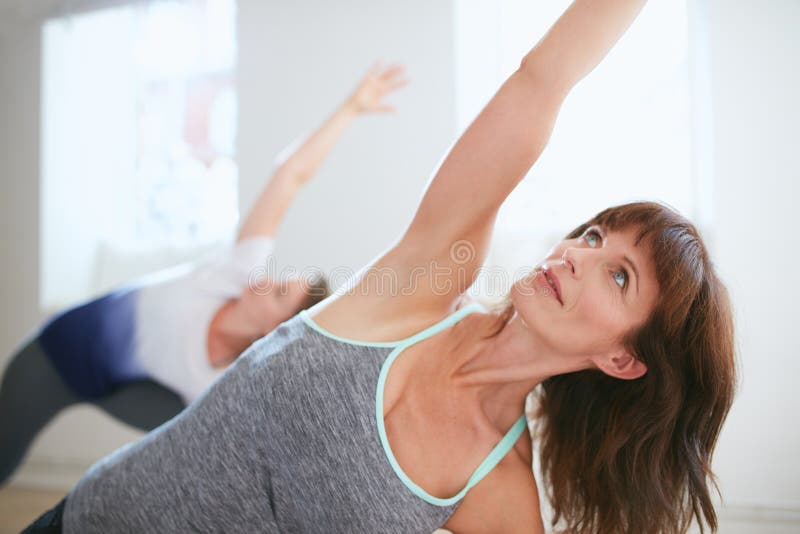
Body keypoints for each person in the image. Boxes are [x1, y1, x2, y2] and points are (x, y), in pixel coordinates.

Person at [26, 1, 737, 533]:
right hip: (84, 517)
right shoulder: (426, 284)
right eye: (592, 234)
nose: (579, 255)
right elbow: (541, 82)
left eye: (620, 276)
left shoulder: (498, 493)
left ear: (622, 359)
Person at [1, 63, 408, 486]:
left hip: (114, 387)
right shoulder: (236, 272)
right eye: (278, 278)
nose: (265, 281)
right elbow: (290, 176)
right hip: (52, 357)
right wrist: (351, 108)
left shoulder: (226, 384)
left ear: (277, 329)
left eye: (277, 293)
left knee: (199, 428)